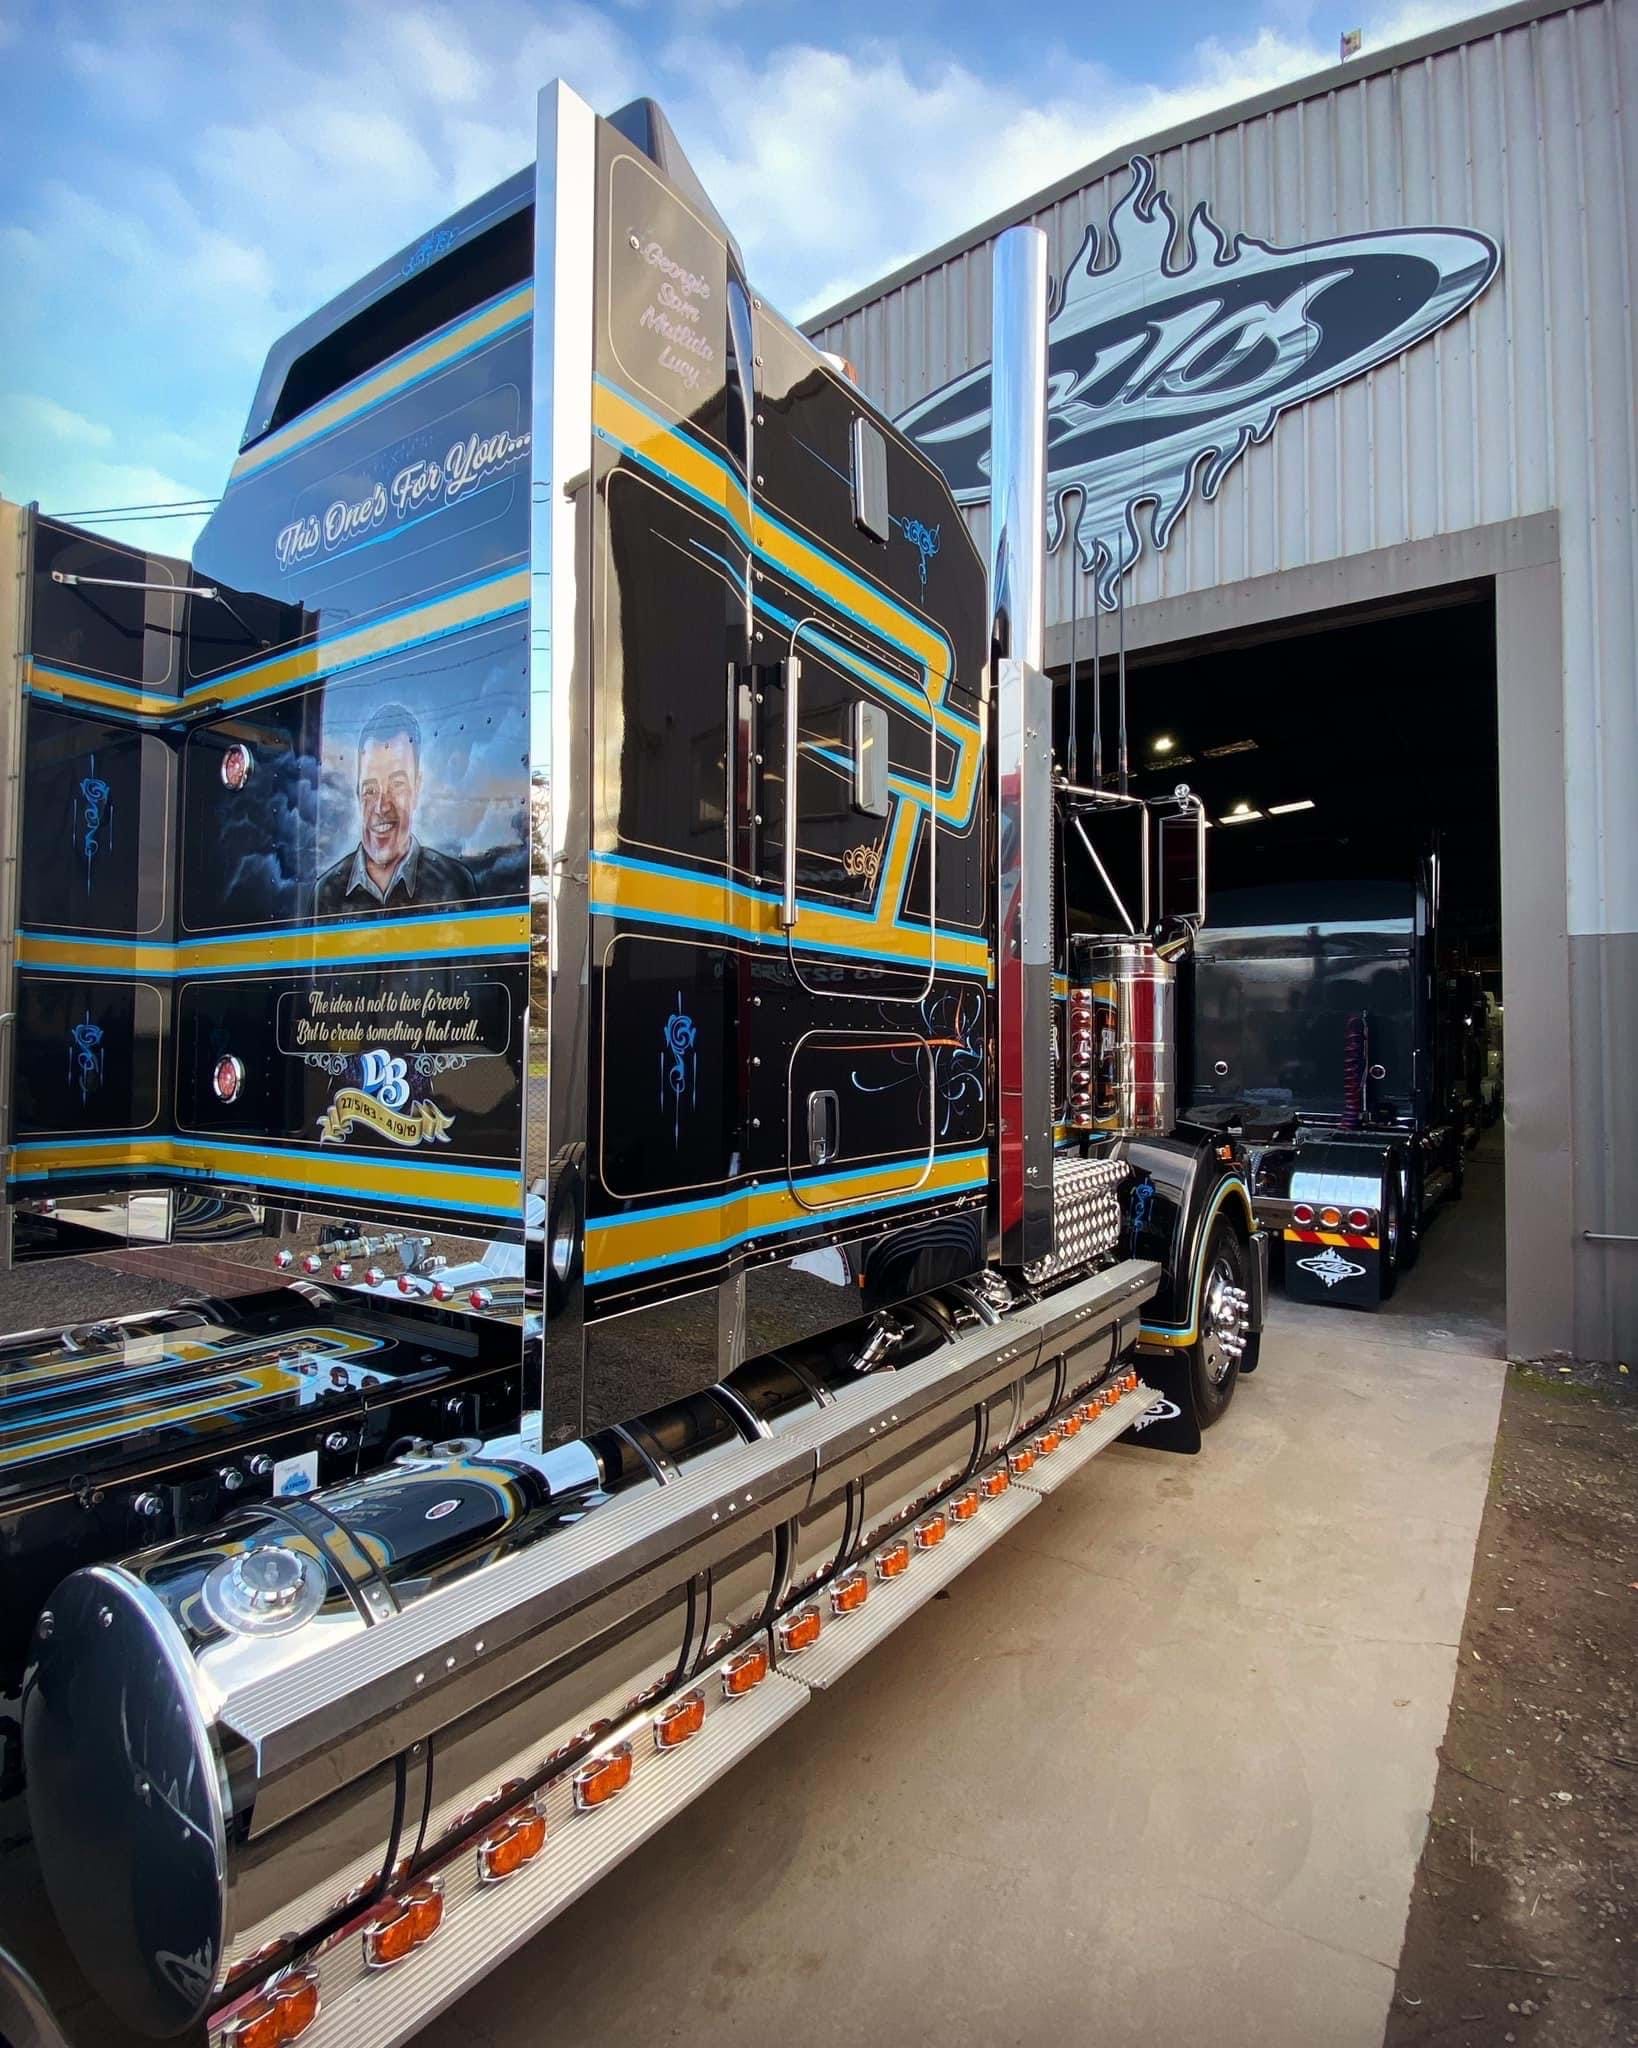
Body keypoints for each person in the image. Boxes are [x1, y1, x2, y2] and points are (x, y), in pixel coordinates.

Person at [313, 702, 476, 916]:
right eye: (370, 789)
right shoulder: (324, 895)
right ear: (358, 794)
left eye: (397, 785)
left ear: (416, 789)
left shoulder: (456, 884)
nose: (382, 806)